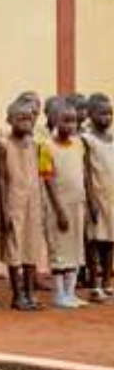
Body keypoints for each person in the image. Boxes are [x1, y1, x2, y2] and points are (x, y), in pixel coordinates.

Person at [0, 100, 46, 311]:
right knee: (14, 249)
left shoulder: (36, 145)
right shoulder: (3, 145)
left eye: (29, 118)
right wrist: (2, 209)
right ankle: (17, 296)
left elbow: (40, 176)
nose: (26, 123)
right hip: (13, 202)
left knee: (31, 247)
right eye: (21, 118)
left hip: (32, 203)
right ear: (9, 120)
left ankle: (30, 292)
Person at [42, 104, 88, 309]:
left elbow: (82, 173)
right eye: (65, 120)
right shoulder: (46, 146)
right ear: (54, 121)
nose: (71, 125)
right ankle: (59, 294)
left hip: (77, 204)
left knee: (75, 248)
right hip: (58, 207)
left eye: (74, 121)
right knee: (60, 249)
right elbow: (48, 180)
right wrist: (59, 209)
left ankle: (71, 292)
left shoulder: (79, 144)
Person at [82, 93, 114, 302]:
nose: (108, 117)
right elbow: (85, 171)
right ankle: (94, 284)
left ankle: (107, 281)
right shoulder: (87, 139)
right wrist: (90, 198)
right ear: (91, 115)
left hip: (111, 195)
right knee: (94, 240)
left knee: (110, 239)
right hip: (96, 194)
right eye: (102, 113)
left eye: (110, 113)